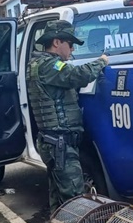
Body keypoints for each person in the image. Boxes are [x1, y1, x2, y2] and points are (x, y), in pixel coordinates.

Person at [26, 20, 109, 211]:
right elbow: (78, 75)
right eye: (69, 44)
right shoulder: (49, 66)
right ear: (56, 42)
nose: (72, 49)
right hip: (59, 144)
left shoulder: (40, 64)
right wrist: (102, 61)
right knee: (75, 199)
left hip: (55, 143)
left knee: (59, 198)